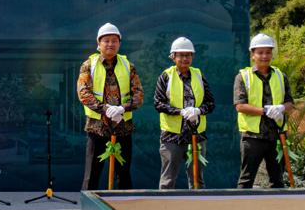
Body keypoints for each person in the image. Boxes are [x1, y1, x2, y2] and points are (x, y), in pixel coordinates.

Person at [77, 23, 144, 189]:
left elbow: (139, 94)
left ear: (119, 44)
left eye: (114, 40)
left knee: (123, 173)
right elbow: (83, 93)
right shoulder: (89, 65)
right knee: (92, 173)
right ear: (98, 44)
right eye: (106, 40)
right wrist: (106, 109)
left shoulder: (128, 66)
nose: (110, 44)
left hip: (123, 125)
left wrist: (123, 108)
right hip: (97, 126)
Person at [234, 32, 296, 188]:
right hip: (252, 137)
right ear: (253, 54)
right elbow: (240, 105)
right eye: (260, 52)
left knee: (278, 181)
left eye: (268, 52)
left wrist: (282, 107)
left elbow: (290, 103)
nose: (264, 56)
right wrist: (264, 111)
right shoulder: (243, 77)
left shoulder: (281, 76)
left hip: (277, 135)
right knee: (246, 180)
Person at [155, 36, 215, 189]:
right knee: (168, 180)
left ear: (192, 57)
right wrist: (180, 112)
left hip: (197, 135)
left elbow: (211, 103)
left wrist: (198, 110)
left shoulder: (199, 75)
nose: (185, 58)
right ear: (173, 57)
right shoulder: (166, 76)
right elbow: (159, 104)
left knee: (197, 181)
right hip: (172, 136)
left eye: (188, 55)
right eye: (181, 55)